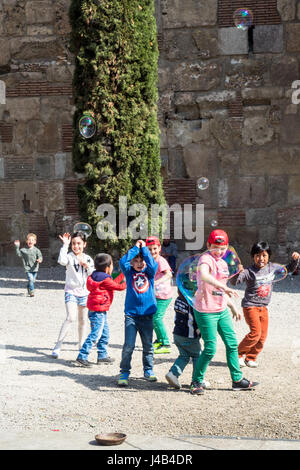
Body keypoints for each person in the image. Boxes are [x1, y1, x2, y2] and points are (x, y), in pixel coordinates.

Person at [191, 229, 259, 395]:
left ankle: (237, 380)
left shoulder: (223, 263)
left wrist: (232, 306)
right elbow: (205, 276)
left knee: (232, 344)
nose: (219, 251)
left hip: (221, 310)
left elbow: (219, 291)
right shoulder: (205, 259)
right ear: (208, 245)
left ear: (227, 247)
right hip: (205, 311)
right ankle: (196, 381)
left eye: (222, 248)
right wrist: (224, 286)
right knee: (210, 348)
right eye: (215, 247)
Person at [231, 241, 300, 368]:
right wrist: (236, 271)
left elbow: (288, 269)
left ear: (269, 256)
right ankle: (238, 355)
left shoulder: (272, 268)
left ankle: (251, 358)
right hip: (250, 306)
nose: (261, 258)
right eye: (257, 255)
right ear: (253, 257)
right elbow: (235, 282)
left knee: (262, 337)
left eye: (264, 255)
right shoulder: (249, 271)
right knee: (255, 333)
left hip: (264, 307)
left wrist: (295, 260)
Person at [118, 240, 158, 386]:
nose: (140, 263)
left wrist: (145, 250)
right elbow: (123, 262)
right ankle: (124, 371)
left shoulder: (150, 273)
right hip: (131, 316)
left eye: (142, 260)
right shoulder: (129, 273)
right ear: (132, 263)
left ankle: (148, 370)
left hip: (147, 316)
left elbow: (153, 264)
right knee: (129, 345)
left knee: (148, 345)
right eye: (136, 261)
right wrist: (136, 248)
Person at [76, 253, 126, 367]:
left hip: (97, 310)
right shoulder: (105, 280)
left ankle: (102, 355)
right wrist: (128, 281)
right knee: (96, 334)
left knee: (104, 333)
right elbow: (118, 286)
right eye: (112, 265)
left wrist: (123, 274)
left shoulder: (94, 276)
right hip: (99, 310)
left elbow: (114, 282)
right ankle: (82, 356)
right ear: (108, 267)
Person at [51, 232, 94, 358]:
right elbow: (61, 261)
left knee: (83, 320)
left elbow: (93, 274)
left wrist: (86, 266)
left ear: (84, 244)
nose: (76, 246)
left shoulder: (88, 258)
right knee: (70, 317)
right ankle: (58, 346)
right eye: (74, 244)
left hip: (85, 293)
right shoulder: (69, 256)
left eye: (79, 243)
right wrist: (65, 245)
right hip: (70, 291)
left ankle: (81, 346)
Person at [165, 289, 210, 390]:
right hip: (189, 336)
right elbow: (199, 319)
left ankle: (173, 373)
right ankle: (198, 379)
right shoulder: (193, 303)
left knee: (184, 355)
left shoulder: (179, 300)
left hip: (177, 334)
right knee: (197, 356)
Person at [145, 236, 173, 354]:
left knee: (157, 318)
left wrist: (156, 282)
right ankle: (160, 340)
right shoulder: (149, 260)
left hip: (163, 295)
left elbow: (169, 275)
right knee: (153, 318)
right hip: (155, 295)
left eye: (155, 249)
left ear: (159, 248)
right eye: (150, 249)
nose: (153, 251)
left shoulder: (160, 260)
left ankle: (166, 343)